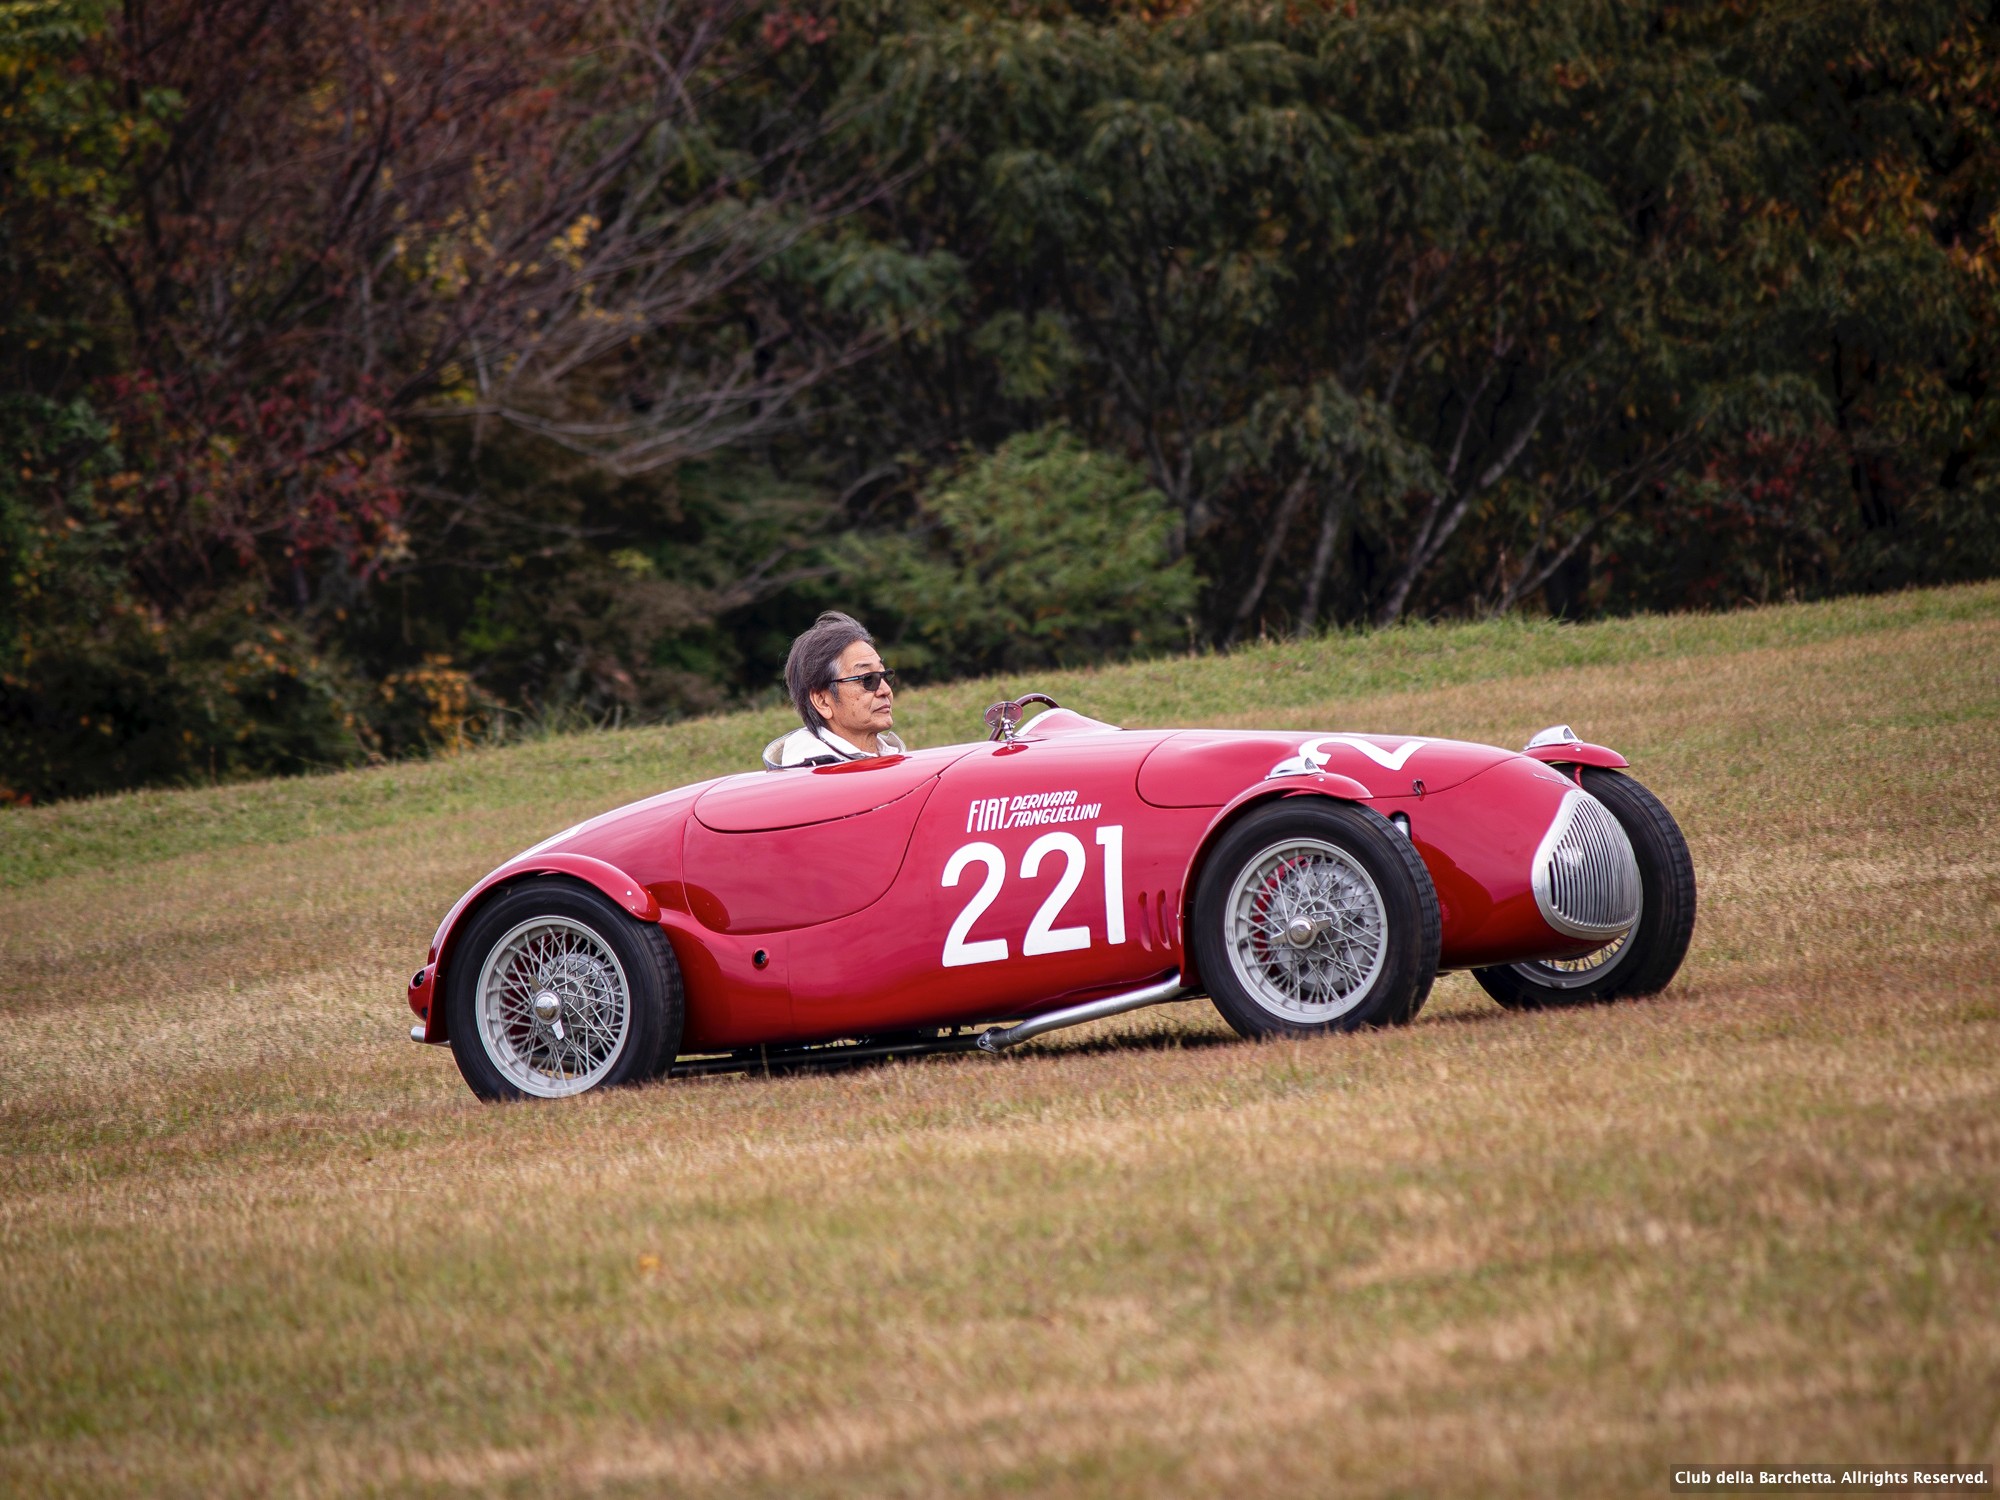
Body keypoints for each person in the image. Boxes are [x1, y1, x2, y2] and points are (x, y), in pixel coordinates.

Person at [766, 611, 907, 767]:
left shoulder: (897, 758)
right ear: (822, 701)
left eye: (884, 675)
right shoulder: (811, 776)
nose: (885, 690)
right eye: (867, 679)